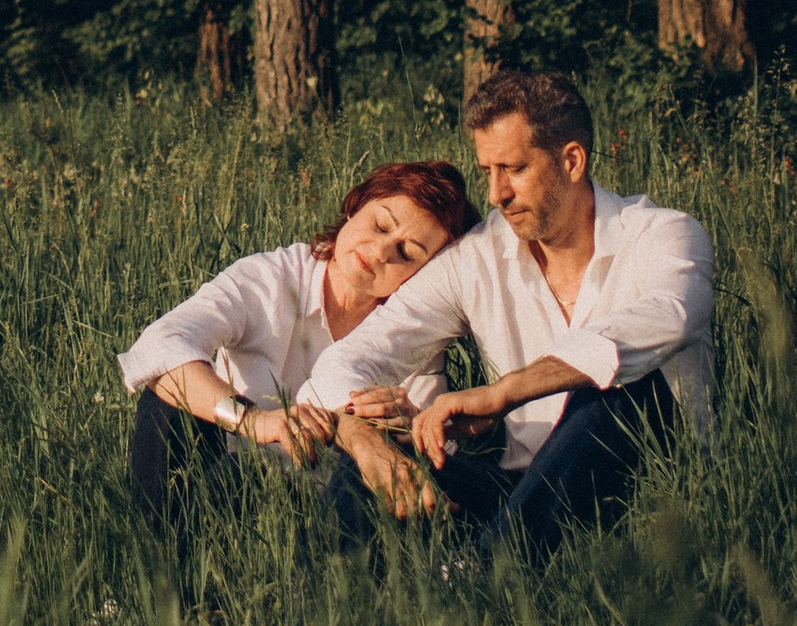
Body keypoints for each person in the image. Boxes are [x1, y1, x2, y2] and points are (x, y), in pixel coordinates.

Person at [292, 64, 713, 563]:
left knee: (616, 389)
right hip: (517, 493)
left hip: (646, 490)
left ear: (572, 161)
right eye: (487, 171)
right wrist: (362, 439)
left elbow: (672, 315)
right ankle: (344, 603)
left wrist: (504, 392)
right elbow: (349, 361)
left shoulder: (663, 234)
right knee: (380, 446)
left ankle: (483, 579)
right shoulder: (478, 256)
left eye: (514, 169)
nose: (495, 195)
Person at [121, 158, 476, 522]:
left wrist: (408, 422)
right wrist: (255, 420)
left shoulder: (411, 329)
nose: (382, 251)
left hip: (317, 506)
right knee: (168, 389)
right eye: (380, 224)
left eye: (407, 253)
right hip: (223, 467)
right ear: (355, 206)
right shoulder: (270, 278)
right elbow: (159, 344)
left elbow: (437, 452)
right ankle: (159, 544)